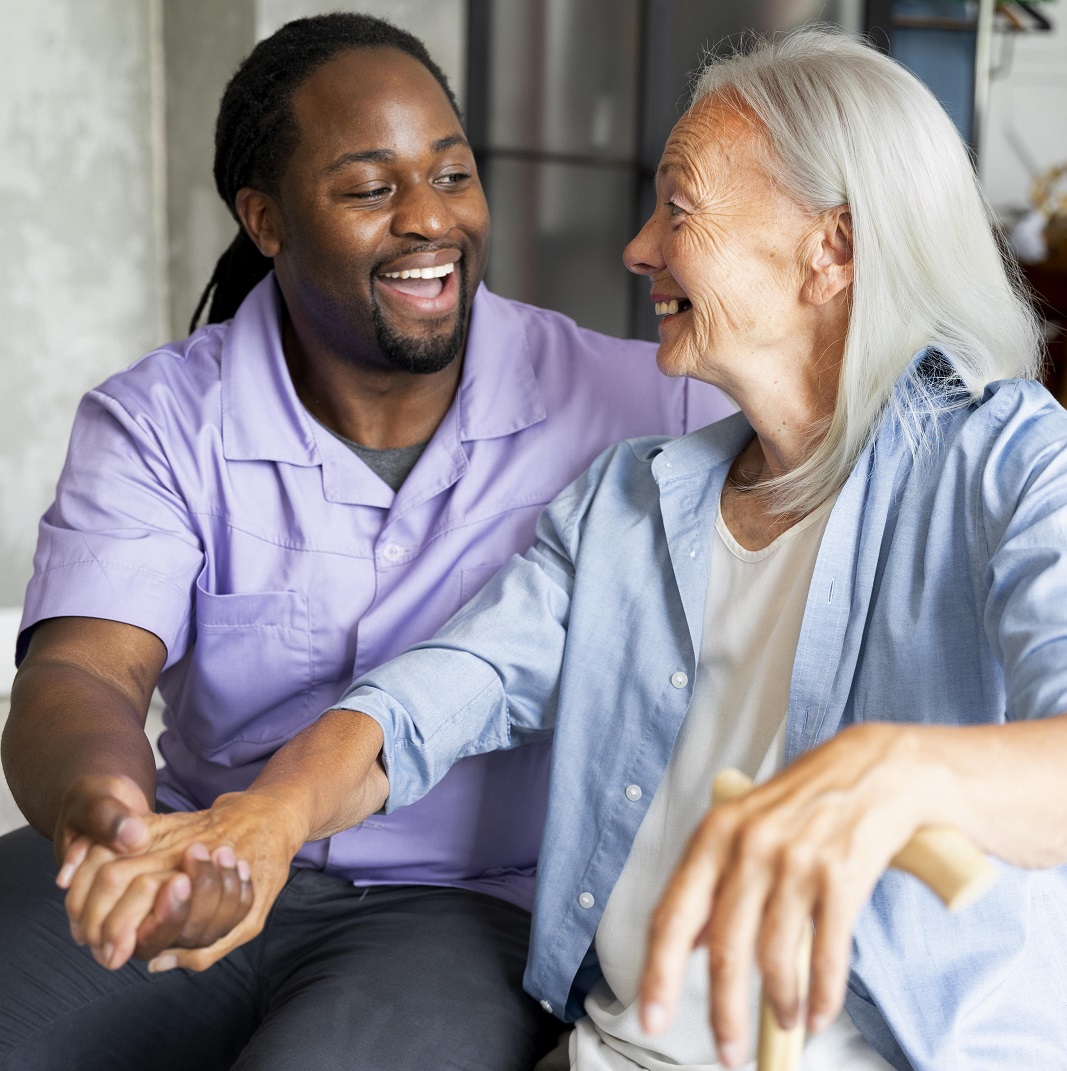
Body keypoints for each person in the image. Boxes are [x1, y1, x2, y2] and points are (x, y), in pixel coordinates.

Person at [44, 26, 1067, 1071]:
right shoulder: (631, 498)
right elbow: (433, 695)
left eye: (677, 207)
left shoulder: (1007, 460)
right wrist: (265, 816)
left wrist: (894, 772)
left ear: (832, 247)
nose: (636, 249)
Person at [0, 13, 732, 1071]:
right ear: (266, 219)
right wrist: (111, 821)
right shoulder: (159, 417)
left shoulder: (644, 406)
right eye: (369, 189)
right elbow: (82, 670)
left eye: (451, 174)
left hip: (459, 910)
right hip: (192, 843)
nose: (430, 221)